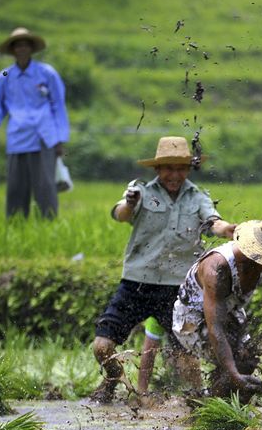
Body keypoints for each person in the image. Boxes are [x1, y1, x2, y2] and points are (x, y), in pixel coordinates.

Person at [91, 137, 235, 404]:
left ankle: (199, 405)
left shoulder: (197, 197)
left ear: (188, 169)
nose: (174, 175)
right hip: (136, 283)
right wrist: (130, 204)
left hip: (177, 289)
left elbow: (213, 221)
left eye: (180, 168)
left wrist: (227, 229)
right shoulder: (140, 193)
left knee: (186, 358)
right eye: (168, 168)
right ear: (157, 170)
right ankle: (113, 379)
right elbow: (121, 214)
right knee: (102, 346)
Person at [172, 213, 262, 401]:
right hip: (192, 319)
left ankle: (217, 401)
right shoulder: (217, 268)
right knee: (234, 364)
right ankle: (209, 405)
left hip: (230, 310)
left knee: (248, 357)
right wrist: (233, 374)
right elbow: (216, 327)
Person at [0, 27, 70, 219]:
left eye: (25, 45)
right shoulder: (5, 76)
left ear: (31, 48)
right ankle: (16, 227)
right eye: (18, 45)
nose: (22, 49)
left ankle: (48, 228)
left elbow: (59, 106)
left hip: (44, 137)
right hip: (17, 139)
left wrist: (60, 139)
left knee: (45, 189)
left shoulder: (46, 73)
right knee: (16, 189)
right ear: (13, 50)